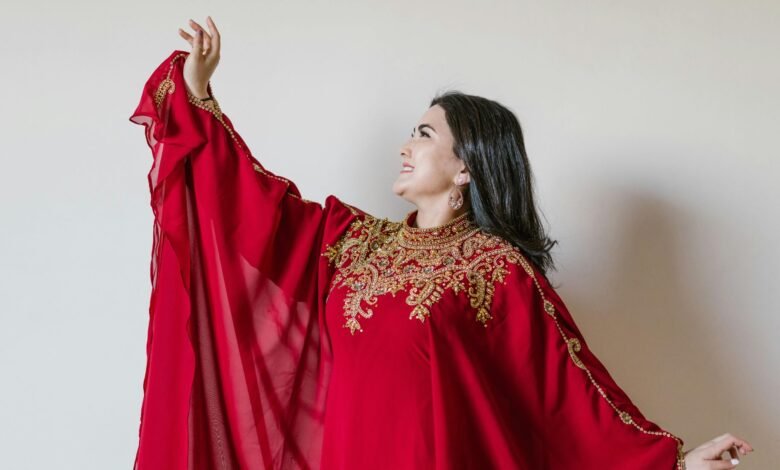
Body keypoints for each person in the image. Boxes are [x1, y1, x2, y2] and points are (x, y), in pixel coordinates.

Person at [128, 15, 754, 470]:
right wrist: (199, 96)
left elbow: (569, 392)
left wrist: (675, 459)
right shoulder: (353, 245)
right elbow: (257, 209)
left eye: (424, 134)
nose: (405, 145)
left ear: (466, 168)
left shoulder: (494, 270)